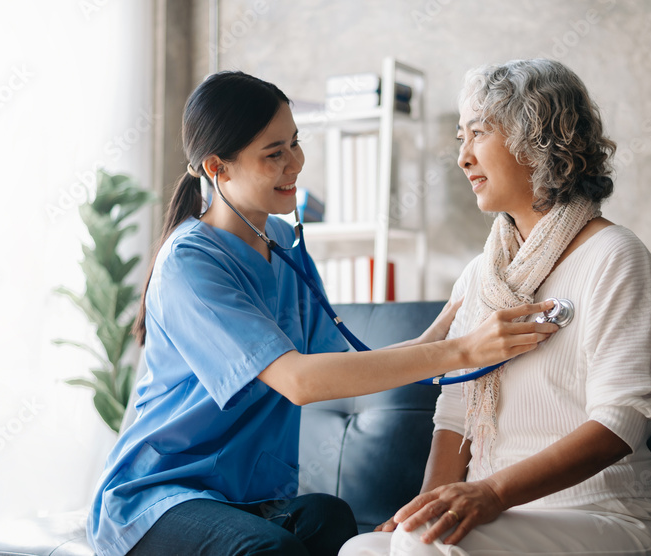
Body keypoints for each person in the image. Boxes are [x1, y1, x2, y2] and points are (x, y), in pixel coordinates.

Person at [86, 71, 558, 556]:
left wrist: (436, 341)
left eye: (295, 144)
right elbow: (300, 381)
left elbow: (338, 369)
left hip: (241, 499)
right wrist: (456, 351)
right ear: (217, 168)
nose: (296, 164)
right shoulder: (191, 263)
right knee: (273, 550)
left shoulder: (287, 250)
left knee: (332, 518)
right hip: (157, 499)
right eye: (274, 154)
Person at [339, 59, 651, 556]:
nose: (463, 158)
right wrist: (429, 506)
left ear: (538, 140)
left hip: (603, 517)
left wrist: (492, 492)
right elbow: (455, 413)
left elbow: (621, 421)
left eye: (478, 132)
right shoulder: (481, 274)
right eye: (461, 137)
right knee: (361, 551)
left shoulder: (616, 257)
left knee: (415, 546)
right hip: (499, 521)